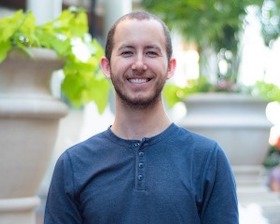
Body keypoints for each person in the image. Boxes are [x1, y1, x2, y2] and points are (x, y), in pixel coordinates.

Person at [44, 10, 239, 224]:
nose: (139, 64)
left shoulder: (207, 159)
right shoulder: (73, 165)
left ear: (170, 67)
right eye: (127, 52)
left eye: (151, 53)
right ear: (106, 66)